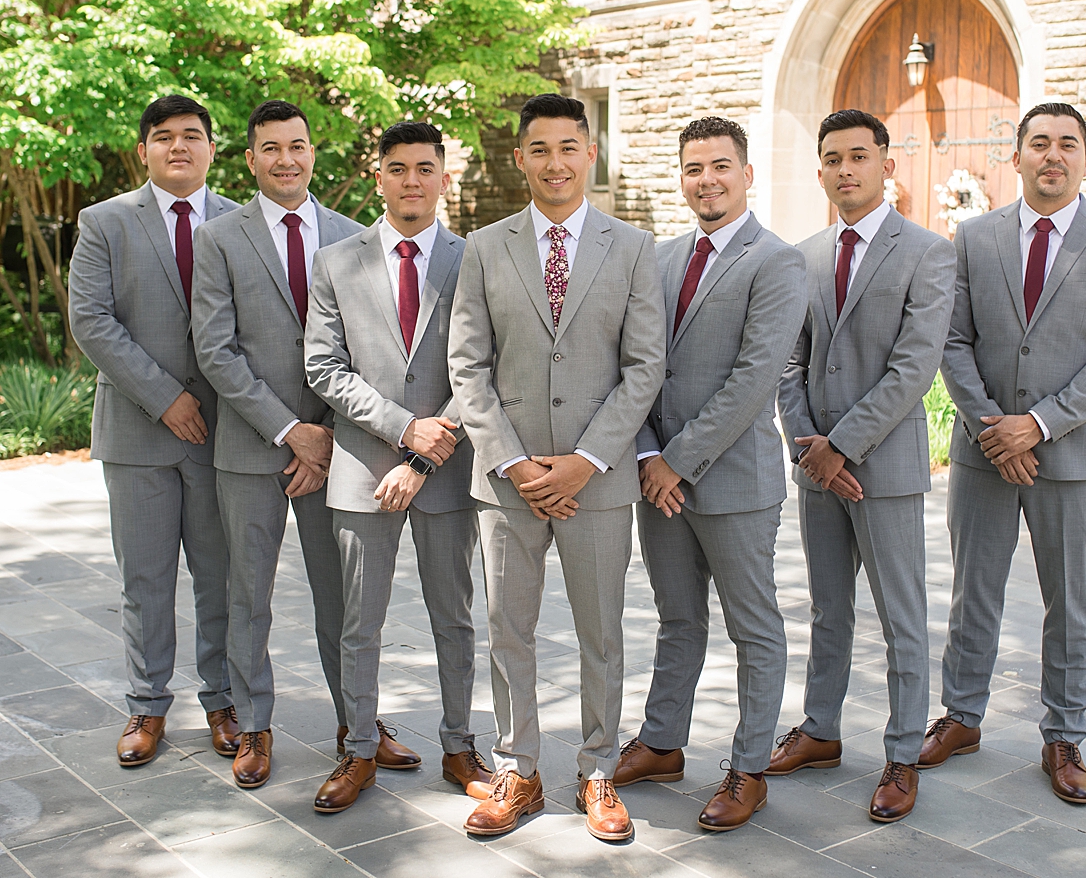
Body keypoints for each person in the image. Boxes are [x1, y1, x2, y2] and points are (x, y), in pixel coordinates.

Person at [447, 93, 666, 841]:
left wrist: (583, 462)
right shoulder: (484, 247)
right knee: (509, 630)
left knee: (601, 631)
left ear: (591, 153)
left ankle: (598, 770)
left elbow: (644, 368)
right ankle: (519, 769)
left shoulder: (634, 249)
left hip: (596, 483)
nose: (556, 163)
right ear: (521, 159)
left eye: (569, 147)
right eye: (540, 149)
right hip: (506, 485)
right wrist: (512, 462)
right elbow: (467, 367)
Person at [926, 102, 1086, 805]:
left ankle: (1064, 735)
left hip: (1071, 457)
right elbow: (951, 341)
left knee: (1071, 603)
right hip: (982, 452)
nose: (1053, 155)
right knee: (973, 594)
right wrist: (995, 426)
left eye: (1068, 144)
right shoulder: (973, 237)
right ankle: (961, 717)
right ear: (1016, 155)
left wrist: (1040, 425)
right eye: (1039, 143)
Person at [612, 117, 805, 832]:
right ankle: (662, 742)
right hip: (656, 476)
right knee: (676, 618)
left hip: (732, 483)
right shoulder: (658, 259)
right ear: (682, 177)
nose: (706, 180)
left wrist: (675, 462)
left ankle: (749, 768)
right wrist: (644, 455)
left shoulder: (778, 262)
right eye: (694, 168)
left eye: (720, 166)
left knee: (754, 628)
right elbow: (631, 365)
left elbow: (754, 379)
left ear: (747, 174)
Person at [303, 121, 493, 814]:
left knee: (455, 617)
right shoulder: (335, 261)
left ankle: (458, 745)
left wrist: (425, 448)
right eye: (397, 168)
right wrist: (400, 427)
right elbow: (323, 365)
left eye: (424, 167)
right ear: (377, 175)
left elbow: (481, 369)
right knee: (360, 623)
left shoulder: (475, 259)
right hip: (361, 467)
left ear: (445, 177)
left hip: (447, 470)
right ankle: (357, 751)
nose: (411, 180)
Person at [772, 109, 955, 823]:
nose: (844, 169)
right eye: (831, 159)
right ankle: (820, 730)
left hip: (883, 467)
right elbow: (790, 360)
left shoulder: (928, 252)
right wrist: (809, 445)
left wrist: (842, 445)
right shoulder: (804, 255)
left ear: (887, 163)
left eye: (858, 156)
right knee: (828, 609)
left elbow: (916, 365)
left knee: (901, 616)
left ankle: (903, 752)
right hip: (816, 466)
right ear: (820, 170)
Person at [190, 100, 367, 790]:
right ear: (250, 159)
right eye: (271, 148)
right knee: (247, 594)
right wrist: (288, 429)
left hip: (334, 448)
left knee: (343, 598)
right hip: (250, 444)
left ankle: (358, 725)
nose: (286, 159)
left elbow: (363, 350)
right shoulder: (219, 238)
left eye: (297, 146)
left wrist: (321, 432)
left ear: (313, 152)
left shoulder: (353, 237)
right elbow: (216, 348)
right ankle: (255, 726)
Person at [68, 95, 241, 768]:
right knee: (144, 577)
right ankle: (146, 703)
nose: (178, 146)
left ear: (212, 149)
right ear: (143, 151)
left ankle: (224, 700)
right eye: (163, 137)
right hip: (139, 431)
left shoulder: (243, 222)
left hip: (223, 435)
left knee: (219, 576)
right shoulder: (104, 222)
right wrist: (165, 397)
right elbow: (92, 321)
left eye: (192, 136)